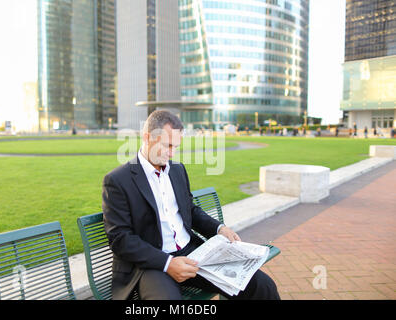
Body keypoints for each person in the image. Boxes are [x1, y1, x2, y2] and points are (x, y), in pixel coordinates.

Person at [102, 110, 280, 300]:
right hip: (153, 264)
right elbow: (120, 238)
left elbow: (190, 210)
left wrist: (219, 228)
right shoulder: (118, 180)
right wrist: (168, 263)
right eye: (167, 145)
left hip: (193, 253)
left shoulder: (177, 170)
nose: (171, 153)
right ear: (147, 138)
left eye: (176, 147)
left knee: (263, 286)